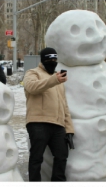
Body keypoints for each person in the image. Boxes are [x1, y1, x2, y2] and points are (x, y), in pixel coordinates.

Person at [23, 47, 75, 181]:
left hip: (58, 125)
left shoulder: (58, 79)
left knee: (62, 155)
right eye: (49, 59)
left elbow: (64, 105)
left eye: (55, 59)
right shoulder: (32, 73)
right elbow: (32, 87)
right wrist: (54, 80)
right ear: (43, 60)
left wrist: (69, 128)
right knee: (36, 158)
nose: (52, 62)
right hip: (38, 122)